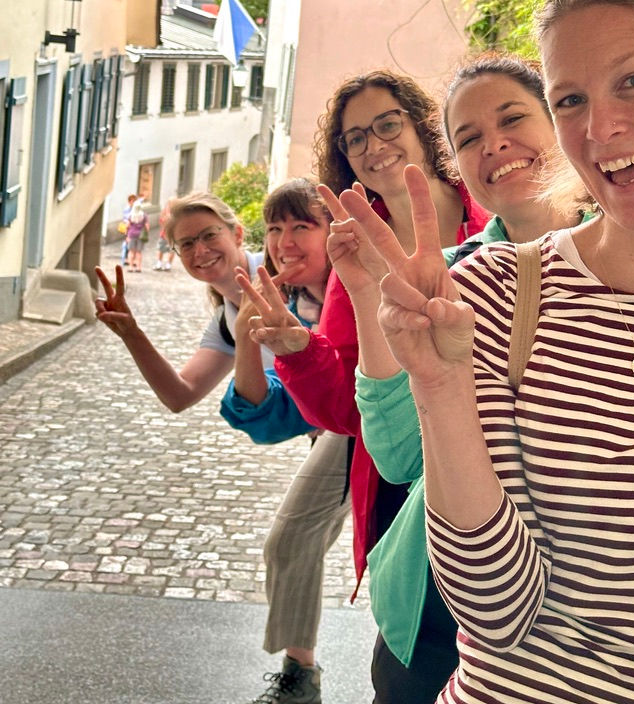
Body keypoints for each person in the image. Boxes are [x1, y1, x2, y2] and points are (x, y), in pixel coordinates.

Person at [340, 0, 634, 704]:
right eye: (571, 99)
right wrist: (438, 388)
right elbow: (497, 614)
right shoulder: (497, 289)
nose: (599, 128)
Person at [347, 54, 585, 703]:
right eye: (469, 137)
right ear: (456, 165)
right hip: (427, 616)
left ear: (564, 121)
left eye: (513, 119)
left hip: (579, 632)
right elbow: (396, 459)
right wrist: (366, 293)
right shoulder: (448, 277)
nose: (495, 144)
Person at [238, 70, 489, 616]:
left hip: (507, 465)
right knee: (413, 639)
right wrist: (296, 349)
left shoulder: (493, 213)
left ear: (423, 126)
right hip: (402, 475)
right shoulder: (352, 250)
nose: (374, 146)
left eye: (387, 125)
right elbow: (349, 412)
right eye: (356, 139)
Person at [95, 184, 348, 704]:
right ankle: (302, 674)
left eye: (208, 235)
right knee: (300, 545)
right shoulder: (231, 317)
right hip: (334, 430)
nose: (199, 251)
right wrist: (132, 333)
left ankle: (311, 677)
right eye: (186, 244)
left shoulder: (291, 274)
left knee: (300, 542)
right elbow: (181, 394)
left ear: (237, 234)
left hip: (372, 418)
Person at [125, 197, 149, 272]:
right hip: (140, 236)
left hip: (131, 235)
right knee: (139, 252)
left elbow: (127, 226)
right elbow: (147, 227)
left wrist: (127, 235)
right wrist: (146, 233)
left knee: (131, 251)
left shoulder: (130, 215)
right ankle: (138, 267)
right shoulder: (144, 215)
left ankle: (131, 267)